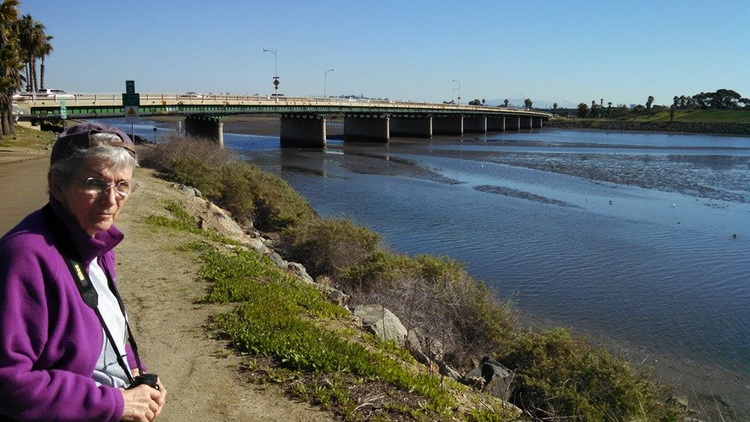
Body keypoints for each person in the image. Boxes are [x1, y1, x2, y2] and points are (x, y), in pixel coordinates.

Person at [0, 123, 167, 421]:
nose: (111, 200)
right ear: (58, 184)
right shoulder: (24, 256)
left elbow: (103, 332)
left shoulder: (94, 241)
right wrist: (115, 403)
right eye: (94, 182)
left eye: (122, 185)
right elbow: (8, 382)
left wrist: (135, 372)